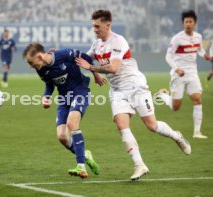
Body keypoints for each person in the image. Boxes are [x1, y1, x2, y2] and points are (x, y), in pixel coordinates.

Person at [75, 9, 191, 181]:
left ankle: (177, 136)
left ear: (108, 25)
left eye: (97, 26)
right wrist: (59, 55)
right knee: (122, 125)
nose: (95, 30)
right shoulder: (97, 44)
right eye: (93, 26)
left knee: (151, 125)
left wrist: (92, 69)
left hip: (135, 86)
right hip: (117, 90)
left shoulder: (118, 41)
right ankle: (139, 164)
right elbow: (83, 58)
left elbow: (113, 68)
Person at [22, 42, 101, 179]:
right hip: (64, 99)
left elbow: (87, 58)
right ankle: (85, 154)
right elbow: (49, 84)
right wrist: (45, 97)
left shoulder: (64, 54)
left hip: (80, 91)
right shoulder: (40, 69)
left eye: (31, 62)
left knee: (72, 124)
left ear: (40, 56)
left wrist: (96, 74)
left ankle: (81, 167)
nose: (30, 66)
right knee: (62, 137)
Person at [156, 10, 211, 139]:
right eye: (186, 22)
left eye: (190, 21)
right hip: (179, 75)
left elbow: (199, 50)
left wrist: (206, 56)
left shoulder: (198, 36)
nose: (188, 24)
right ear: (183, 23)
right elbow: (168, 56)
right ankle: (163, 95)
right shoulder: (177, 39)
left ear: (195, 23)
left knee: (197, 99)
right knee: (176, 107)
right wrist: (177, 69)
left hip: (192, 73)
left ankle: (197, 132)